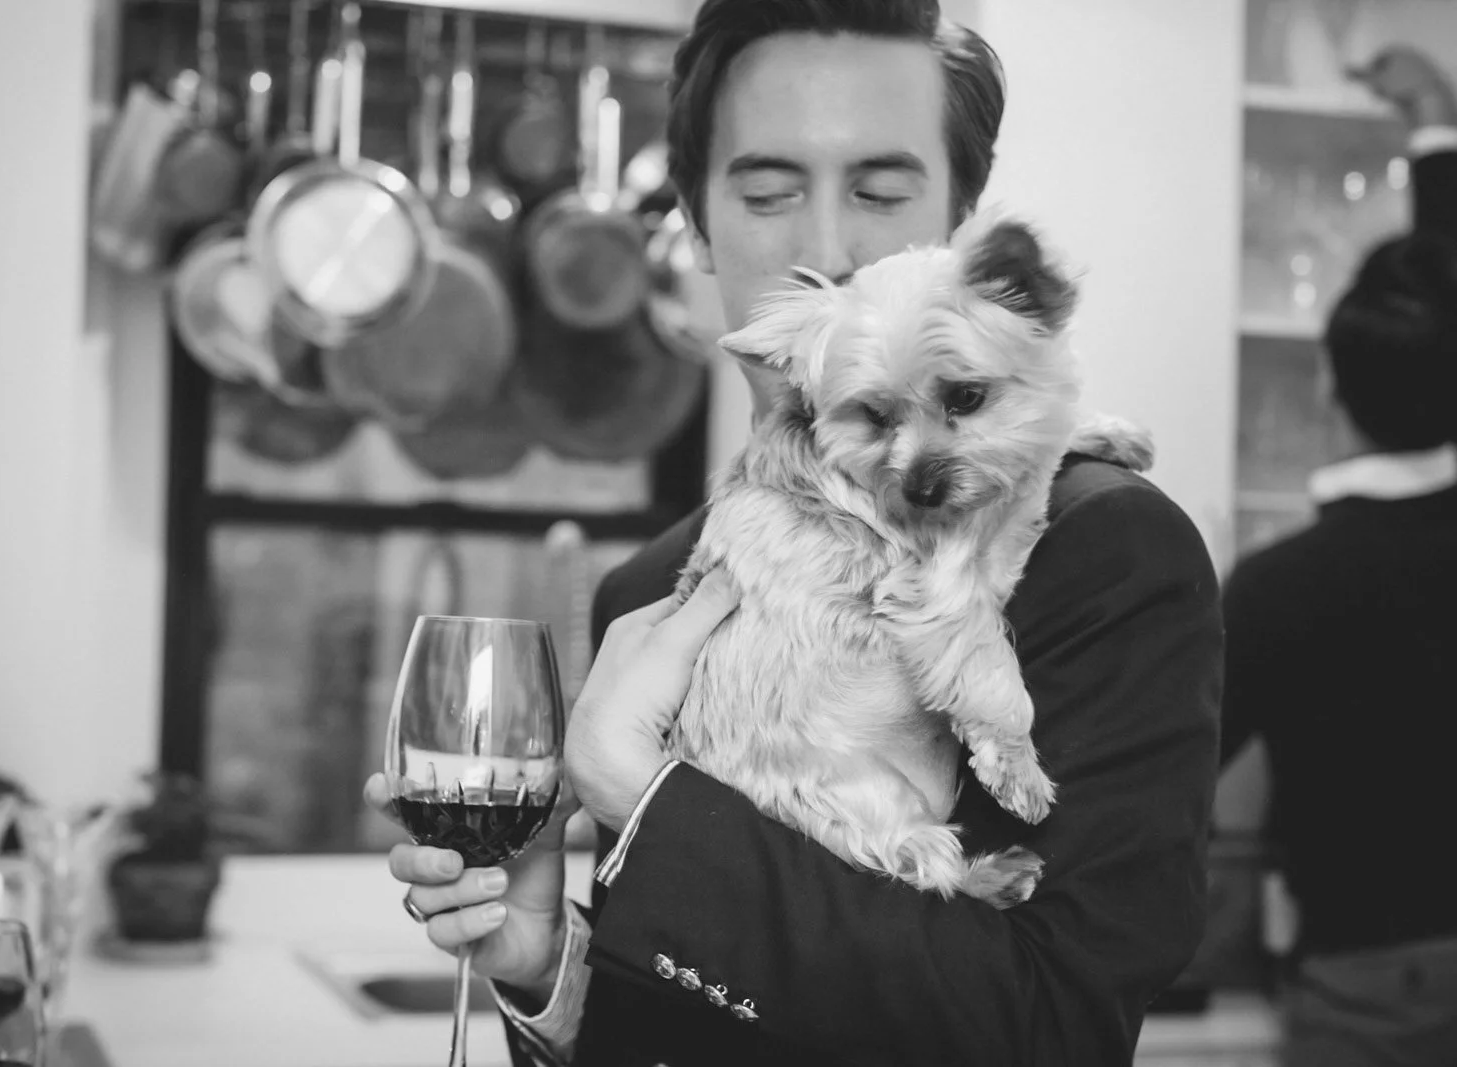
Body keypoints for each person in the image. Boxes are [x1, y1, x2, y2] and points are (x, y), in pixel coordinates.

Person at [368, 2, 1224, 1063]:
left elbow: (1055, 1027)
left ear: (960, 219)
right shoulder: (649, 588)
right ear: (693, 220)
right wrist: (549, 966)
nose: (825, 245)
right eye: (769, 191)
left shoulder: (1103, 553)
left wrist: (647, 801)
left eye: (880, 189)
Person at [1219, 47, 1457, 1067]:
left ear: (1326, 387)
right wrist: (1437, 130)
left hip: (1371, 988)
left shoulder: (1279, 590)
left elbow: (1156, 775)